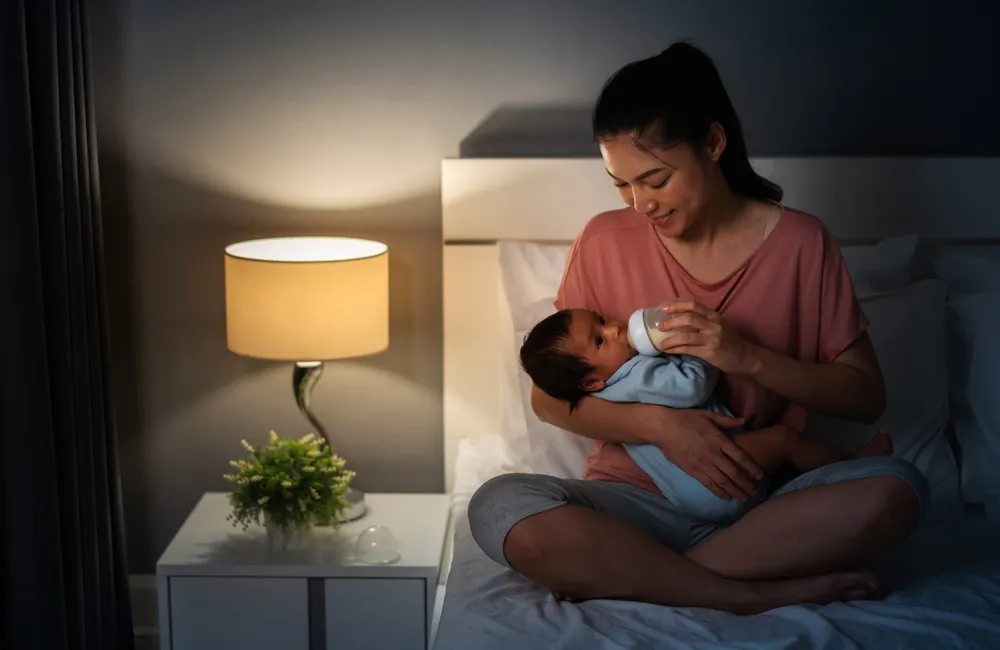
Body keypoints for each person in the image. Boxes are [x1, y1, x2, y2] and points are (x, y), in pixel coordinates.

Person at [467, 41, 929, 615]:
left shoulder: (802, 245)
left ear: (713, 143)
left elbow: (865, 397)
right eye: (620, 184)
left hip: (759, 505)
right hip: (628, 505)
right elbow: (548, 397)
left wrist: (748, 358)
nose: (640, 204)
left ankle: (640, 576)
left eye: (655, 179)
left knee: (899, 489)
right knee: (495, 504)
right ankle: (744, 592)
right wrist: (659, 426)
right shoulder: (604, 241)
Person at [519, 307, 894, 523]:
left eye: (601, 320)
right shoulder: (635, 377)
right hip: (711, 481)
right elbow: (692, 387)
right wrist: (695, 348)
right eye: (600, 340)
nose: (615, 328)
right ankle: (853, 466)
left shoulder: (612, 391)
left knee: (782, 477)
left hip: (695, 494)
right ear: (590, 383)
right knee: (784, 441)